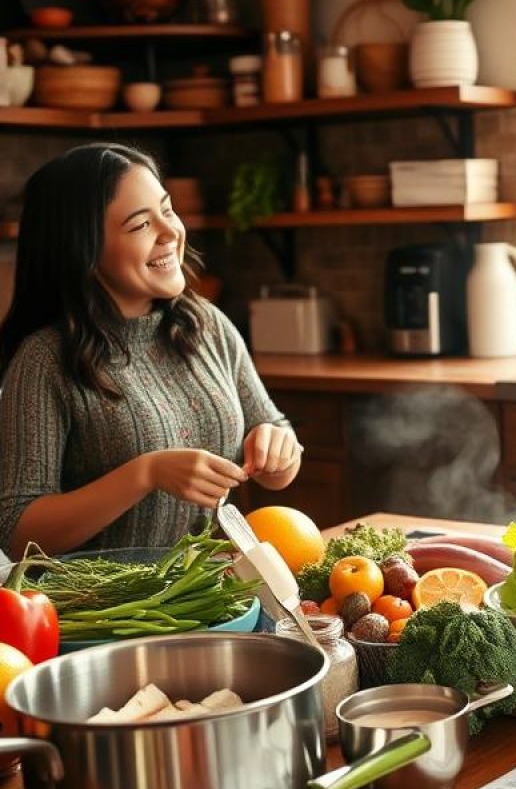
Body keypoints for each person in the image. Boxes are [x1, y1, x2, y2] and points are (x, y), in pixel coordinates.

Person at [0, 143, 302, 558]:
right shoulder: (45, 360)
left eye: (168, 210)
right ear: (83, 249)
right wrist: (145, 474)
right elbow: (17, 532)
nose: (170, 232)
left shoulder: (206, 325)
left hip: (204, 597)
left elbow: (277, 456)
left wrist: (279, 446)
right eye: (141, 225)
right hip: (98, 613)